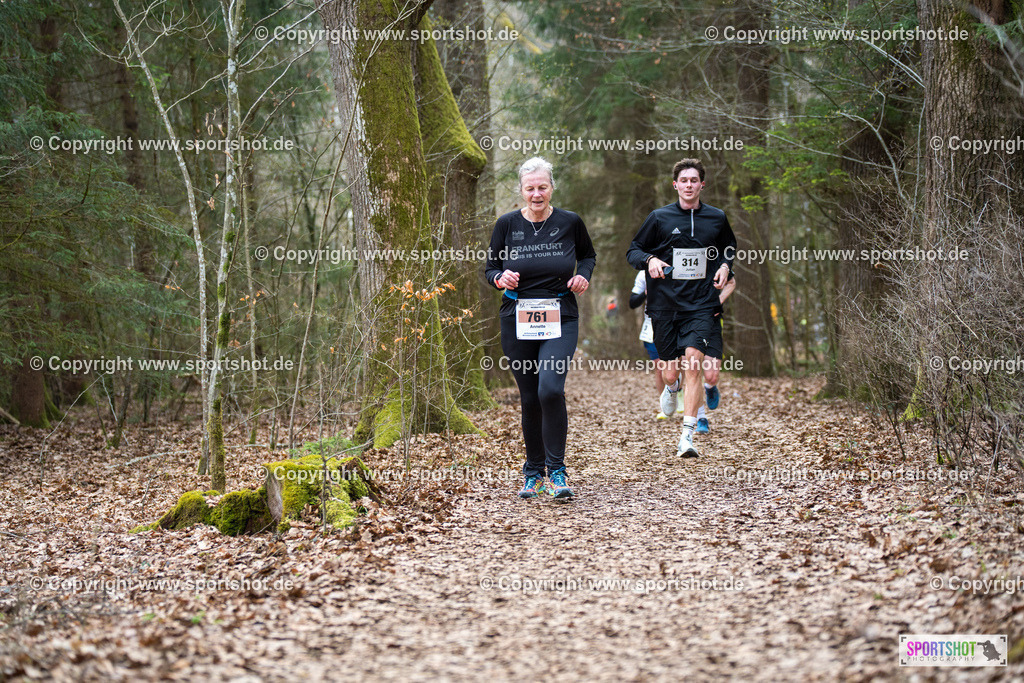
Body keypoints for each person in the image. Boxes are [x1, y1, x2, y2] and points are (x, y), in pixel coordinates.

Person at [485, 157, 596, 499]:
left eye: (542, 187)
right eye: (530, 188)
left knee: (550, 389)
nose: (536, 194)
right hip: (516, 314)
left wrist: (583, 276)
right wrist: (500, 277)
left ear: (552, 188)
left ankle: (557, 471)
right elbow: (490, 268)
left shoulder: (569, 222)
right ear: (521, 190)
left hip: (560, 313)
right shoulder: (506, 225)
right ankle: (533, 472)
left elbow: (588, 256)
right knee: (530, 396)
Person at [626, 158, 736, 458]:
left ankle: (686, 437)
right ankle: (669, 388)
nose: (689, 185)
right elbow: (633, 250)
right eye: (683, 180)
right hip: (664, 306)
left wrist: (725, 266)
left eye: (694, 180)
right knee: (671, 372)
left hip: (701, 305)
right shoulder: (659, 218)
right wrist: (650, 260)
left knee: (693, 364)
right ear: (675, 185)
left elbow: (729, 247)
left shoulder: (716, 217)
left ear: (703, 184)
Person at [631, 270, 736, 428]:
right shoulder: (650, 270)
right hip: (673, 322)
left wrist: (716, 301)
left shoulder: (709, 256)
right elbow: (632, 301)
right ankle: (687, 409)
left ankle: (705, 399)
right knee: (678, 370)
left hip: (705, 320)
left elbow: (731, 281)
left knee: (704, 373)